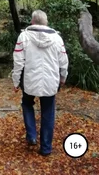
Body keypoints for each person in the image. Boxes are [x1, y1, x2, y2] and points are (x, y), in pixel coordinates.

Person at [12, 9, 68, 156]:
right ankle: (46, 148)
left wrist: (16, 82)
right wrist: (63, 78)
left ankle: (31, 134)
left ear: (32, 22)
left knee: (27, 103)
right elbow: (64, 62)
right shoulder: (57, 39)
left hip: (30, 82)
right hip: (51, 82)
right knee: (48, 112)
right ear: (46, 22)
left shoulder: (23, 36)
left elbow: (18, 62)